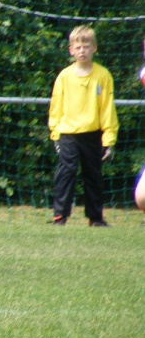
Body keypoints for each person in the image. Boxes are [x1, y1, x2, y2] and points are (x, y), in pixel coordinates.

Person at [48, 25, 119, 227]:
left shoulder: (103, 75)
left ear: (94, 48)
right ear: (71, 50)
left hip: (93, 134)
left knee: (93, 176)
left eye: (86, 46)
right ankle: (60, 216)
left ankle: (95, 218)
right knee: (66, 174)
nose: (82, 50)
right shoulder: (64, 76)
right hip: (68, 134)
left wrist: (109, 139)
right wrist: (55, 134)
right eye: (78, 47)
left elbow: (107, 110)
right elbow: (56, 107)